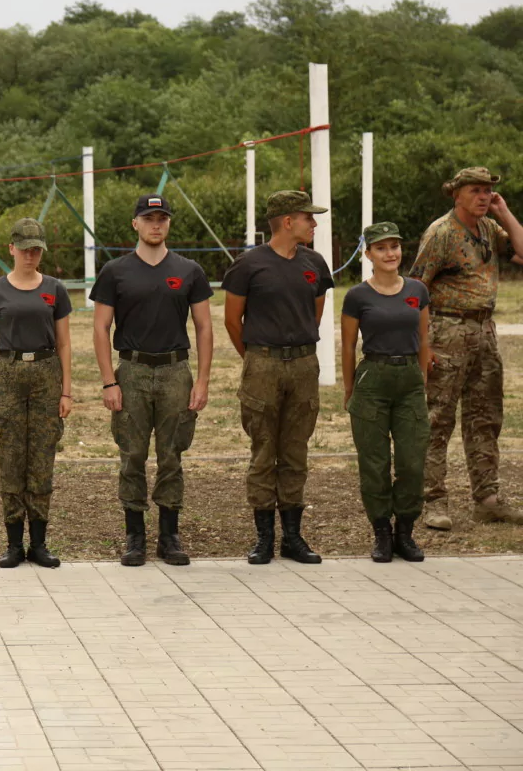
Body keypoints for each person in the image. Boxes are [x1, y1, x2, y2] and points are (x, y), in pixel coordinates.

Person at [90, 194, 213, 566]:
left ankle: (169, 536)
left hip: (176, 371)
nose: (155, 224)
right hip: (133, 371)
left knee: (172, 455)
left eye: (162, 218)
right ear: (136, 224)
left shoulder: (189, 270)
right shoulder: (116, 271)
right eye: (148, 218)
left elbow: (205, 327)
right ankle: (135, 536)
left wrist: (203, 380)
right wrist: (110, 382)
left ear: (169, 223)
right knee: (132, 455)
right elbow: (100, 327)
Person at [222, 190, 334, 565]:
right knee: (263, 450)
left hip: (303, 365)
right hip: (263, 365)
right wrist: (257, 357)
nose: (314, 224)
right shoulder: (248, 265)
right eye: (308, 217)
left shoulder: (315, 263)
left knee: (295, 450)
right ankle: (264, 538)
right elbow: (231, 320)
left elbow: (313, 314)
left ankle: (293, 537)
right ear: (288, 221)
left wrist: (293, 350)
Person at [409, 167, 523, 530]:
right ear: (456, 194)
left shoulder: (489, 228)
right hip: (447, 329)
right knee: (437, 418)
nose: (484, 197)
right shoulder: (441, 233)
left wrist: (504, 212)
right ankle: (433, 502)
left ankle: (487, 499)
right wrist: (422, 346)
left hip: (484, 331)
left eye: (488, 191)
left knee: (486, 418)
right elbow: (414, 291)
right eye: (476, 190)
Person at [0, 218, 73, 568]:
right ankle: (14, 543)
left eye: (37, 249)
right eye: (25, 249)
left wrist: (66, 391)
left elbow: (64, 343)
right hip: (7, 374)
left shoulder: (55, 289)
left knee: (42, 457)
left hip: (47, 373)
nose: (31, 255)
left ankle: (40, 542)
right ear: (12, 249)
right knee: (11, 455)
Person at [341, 223, 430, 562]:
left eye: (394, 246)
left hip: (409, 381)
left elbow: (424, 340)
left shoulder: (417, 291)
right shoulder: (357, 296)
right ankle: (381, 532)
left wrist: (420, 381)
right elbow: (348, 346)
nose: (390, 253)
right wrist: (350, 389)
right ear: (368, 255)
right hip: (372, 380)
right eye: (381, 248)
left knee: (412, 461)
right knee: (374, 462)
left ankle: (404, 532)